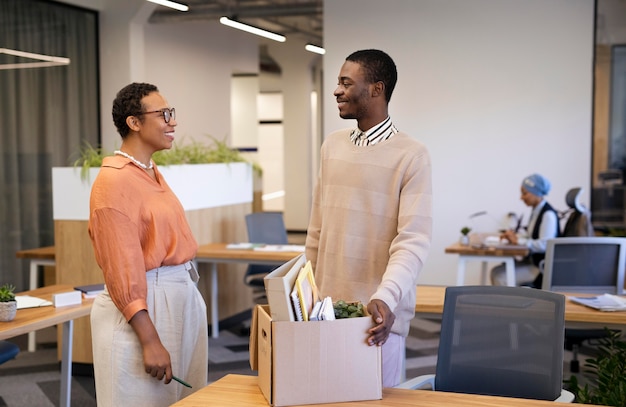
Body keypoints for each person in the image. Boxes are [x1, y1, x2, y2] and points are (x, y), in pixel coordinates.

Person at [305, 49, 433, 387]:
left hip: (377, 319)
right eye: (338, 82)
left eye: (346, 83)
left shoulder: (411, 155)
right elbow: (317, 231)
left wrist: (386, 297)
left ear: (376, 89)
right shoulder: (331, 146)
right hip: (325, 312)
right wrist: (306, 293)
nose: (337, 90)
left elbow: (413, 241)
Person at [88, 82, 208, 406]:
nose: (173, 121)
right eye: (164, 114)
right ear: (134, 122)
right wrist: (150, 340)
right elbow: (121, 268)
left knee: (184, 399)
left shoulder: (149, 171)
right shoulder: (114, 181)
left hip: (178, 295)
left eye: (172, 113)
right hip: (147, 306)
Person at [490, 173, 561, 286]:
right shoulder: (536, 211)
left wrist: (518, 241)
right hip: (532, 262)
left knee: (500, 277)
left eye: (524, 193)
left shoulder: (548, 214)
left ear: (536, 192)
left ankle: (508, 304)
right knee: (495, 272)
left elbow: (545, 245)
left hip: (541, 268)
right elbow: (531, 237)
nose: (521, 197)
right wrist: (514, 237)